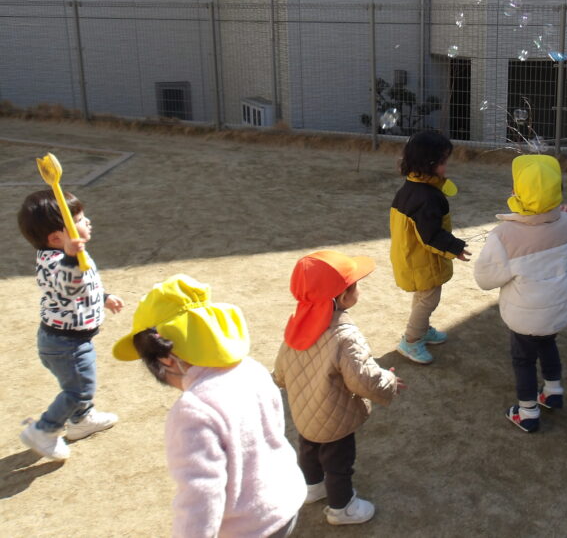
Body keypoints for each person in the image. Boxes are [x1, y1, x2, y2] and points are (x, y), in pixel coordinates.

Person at [113, 275, 304, 538]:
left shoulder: (194, 411)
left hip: (248, 527)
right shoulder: (252, 368)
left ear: (166, 359)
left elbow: (201, 497)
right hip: (285, 498)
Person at [274, 250, 404, 525]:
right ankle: (342, 508)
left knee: (309, 450)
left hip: (304, 411)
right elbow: (362, 379)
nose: (359, 289)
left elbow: (281, 373)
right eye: (355, 285)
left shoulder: (296, 325)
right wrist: (389, 381)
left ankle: (312, 487)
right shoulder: (345, 335)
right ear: (343, 297)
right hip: (334, 417)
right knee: (338, 463)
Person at [473, 155, 567, 432]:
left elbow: (485, 279)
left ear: (516, 192)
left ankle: (527, 413)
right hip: (559, 308)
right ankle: (553, 391)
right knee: (547, 343)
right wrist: (564, 218)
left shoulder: (504, 235)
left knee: (523, 359)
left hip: (526, 316)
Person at [17, 189, 123, 461]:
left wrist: (104, 297)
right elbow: (68, 285)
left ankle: (82, 420)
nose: (87, 222)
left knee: (78, 384)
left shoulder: (65, 257)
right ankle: (43, 430)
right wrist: (70, 258)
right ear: (56, 239)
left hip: (66, 340)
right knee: (79, 390)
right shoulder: (57, 263)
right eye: (79, 220)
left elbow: (82, 287)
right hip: (66, 345)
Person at [390, 130, 470, 364]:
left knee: (423, 295)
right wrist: (455, 247)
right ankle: (411, 339)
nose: (446, 166)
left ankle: (422, 330)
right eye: (443, 162)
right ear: (428, 164)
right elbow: (431, 235)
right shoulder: (426, 198)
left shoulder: (412, 187)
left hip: (413, 256)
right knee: (428, 299)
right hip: (422, 261)